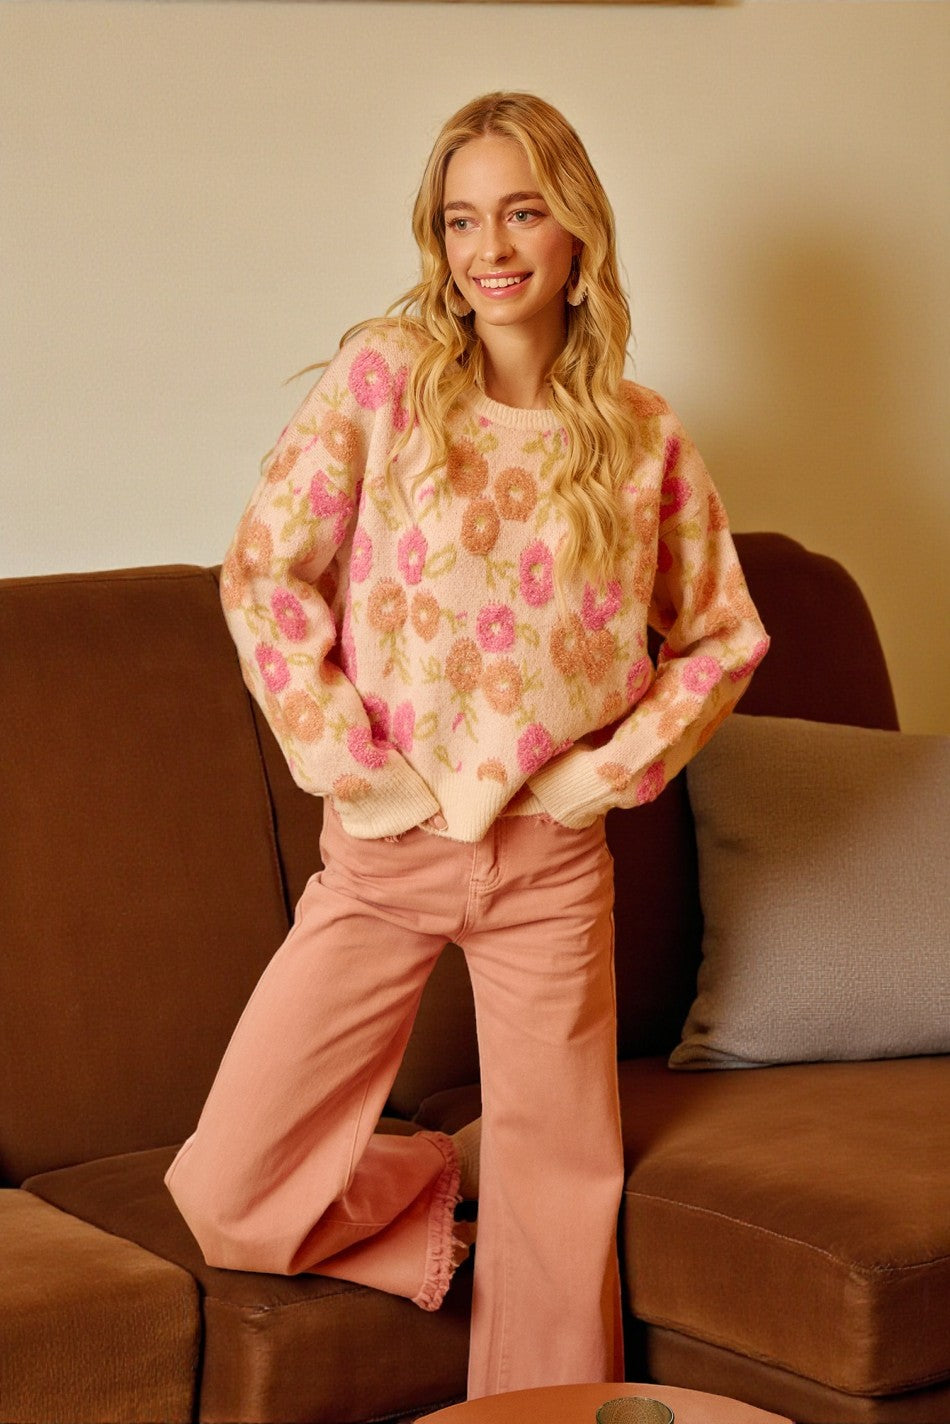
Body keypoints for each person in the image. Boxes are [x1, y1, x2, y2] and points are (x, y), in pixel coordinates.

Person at [165, 91, 769, 1400]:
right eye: (459, 219)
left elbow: (722, 634)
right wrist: (344, 759)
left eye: (521, 210)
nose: (489, 246)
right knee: (227, 1190)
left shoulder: (640, 437)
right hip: (386, 849)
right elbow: (264, 573)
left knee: (560, 1231)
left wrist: (605, 775)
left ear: (574, 234)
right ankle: (445, 1178)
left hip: (550, 871)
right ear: (434, 243)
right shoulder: (384, 384)